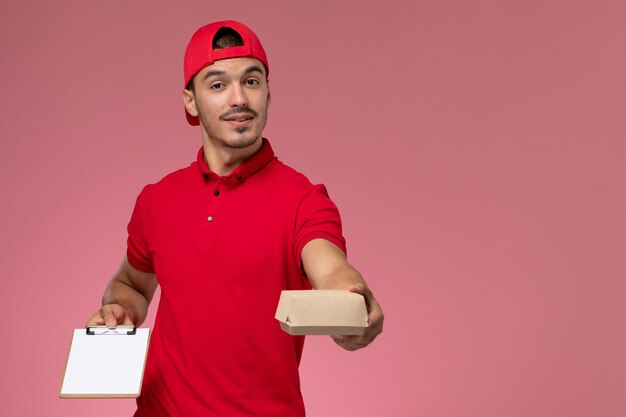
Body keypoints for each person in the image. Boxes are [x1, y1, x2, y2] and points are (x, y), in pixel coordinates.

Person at [86, 20, 383, 417]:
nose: (239, 98)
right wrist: (120, 310)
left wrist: (351, 302)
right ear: (190, 101)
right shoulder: (156, 200)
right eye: (217, 84)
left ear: (268, 93)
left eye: (252, 81)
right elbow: (132, 284)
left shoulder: (304, 200)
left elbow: (331, 270)